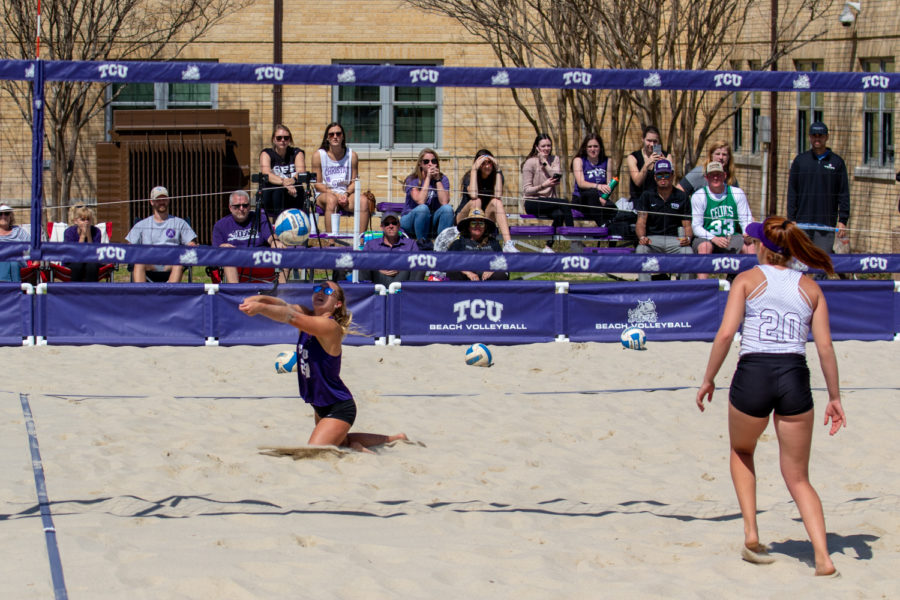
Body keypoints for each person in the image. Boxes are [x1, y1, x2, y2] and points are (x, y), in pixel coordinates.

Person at [696, 216, 846, 578]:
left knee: (742, 450)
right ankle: (823, 558)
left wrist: (708, 378)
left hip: (755, 373)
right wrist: (835, 397)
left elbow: (725, 335)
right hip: (795, 376)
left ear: (763, 247)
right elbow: (825, 348)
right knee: (798, 477)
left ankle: (751, 533)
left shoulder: (747, 280)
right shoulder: (810, 288)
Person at [239, 281, 407, 453]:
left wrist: (260, 308)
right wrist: (258, 299)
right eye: (318, 289)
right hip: (320, 404)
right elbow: (283, 305)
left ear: (337, 304)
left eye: (328, 291)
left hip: (339, 406)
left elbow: (290, 316)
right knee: (341, 442)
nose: (321, 292)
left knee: (313, 452)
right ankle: (394, 438)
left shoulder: (329, 326)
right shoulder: (309, 314)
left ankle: (358, 449)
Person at [787, 122, 850, 255]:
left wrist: (842, 221)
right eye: (814, 135)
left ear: (826, 137)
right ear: (809, 137)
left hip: (826, 225)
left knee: (820, 267)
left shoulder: (837, 162)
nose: (817, 139)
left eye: (820, 135)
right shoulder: (800, 161)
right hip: (802, 225)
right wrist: (791, 219)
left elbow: (843, 193)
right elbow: (792, 192)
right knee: (800, 263)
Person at [691, 162, 755, 280]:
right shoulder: (699, 196)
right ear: (706, 177)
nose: (715, 178)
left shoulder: (737, 193)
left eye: (718, 174)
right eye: (712, 175)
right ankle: (702, 288)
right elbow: (696, 227)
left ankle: (747, 285)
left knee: (750, 247)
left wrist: (747, 233)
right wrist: (714, 238)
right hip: (707, 237)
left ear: (725, 175)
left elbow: (745, 219)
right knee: (705, 247)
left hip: (731, 237)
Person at [634, 159, 693, 281]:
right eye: (659, 175)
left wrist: (688, 238)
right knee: (641, 249)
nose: (663, 178)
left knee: (688, 252)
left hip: (675, 240)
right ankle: (645, 290)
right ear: (655, 177)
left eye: (666, 174)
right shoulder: (647, 195)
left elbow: (687, 225)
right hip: (652, 239)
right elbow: (641, 223)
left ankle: (685, 291)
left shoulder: (682, 196)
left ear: (672, 175)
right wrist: (642, 237)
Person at [125, 186, 198, 283]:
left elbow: (191, 244)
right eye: (158, 200)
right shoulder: (141, 225)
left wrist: (191, 246)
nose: (161, 202)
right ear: (151, 202)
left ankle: (169, 296)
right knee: (138, 263)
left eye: (164, 199)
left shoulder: (180, 223)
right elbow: (130, 247)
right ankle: (141, 296)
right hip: (149, 263)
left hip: (170, 263)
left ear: (168, 200)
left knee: (178, 264)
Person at [212, 190, 283, 284]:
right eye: (237, 206)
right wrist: (222, 248)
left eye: (245, 205)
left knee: (282, 250)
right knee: (227, 256)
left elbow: (270, 236)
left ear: (249, 207)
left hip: (261, 260)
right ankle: (235, 296)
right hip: (236, 263)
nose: (241, 209)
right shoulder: (220, 225)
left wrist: (275, 242)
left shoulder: (260, 218)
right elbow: (215, 253)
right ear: (230, 207)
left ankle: (283, 294)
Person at [312, 122, 368, 236]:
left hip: (345, 193)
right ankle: (330, 242)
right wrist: (336, 195)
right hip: (324, 193)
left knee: (363, 201)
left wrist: (346, 195)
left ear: (343, 136)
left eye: (338, 134)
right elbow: (317, 184)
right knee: (331, 201)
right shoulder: (319, 155)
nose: (335, 137)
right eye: (331, 134)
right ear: (327, 138)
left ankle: (362, 241)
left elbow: (354, 182)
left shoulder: (352, 156)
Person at [457, 149, 517, 252]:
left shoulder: (497, 176)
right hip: (464, 218)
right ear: (478, 164)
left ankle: (508, 244)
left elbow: (498, 195)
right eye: (483, 163)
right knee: (477, 201)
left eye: (490, 162)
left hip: (483, 218)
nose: (487, 166)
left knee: (496, 202)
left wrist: (498, 170)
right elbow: (473, 195)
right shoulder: (469, 176)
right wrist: (474, 169)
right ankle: (473, 241)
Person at [521, 134, 574, 229]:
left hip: (550, 201)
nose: (546, 148)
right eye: (543, 146)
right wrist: (543, 185)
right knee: (565, 202)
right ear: (537, 147)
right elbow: (527, 190)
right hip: (533, 201)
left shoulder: (555, 159)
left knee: (560, 215)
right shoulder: (530, 162)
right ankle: (575, 240)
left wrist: (544, 161)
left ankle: (549, 244)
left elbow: (554, 175)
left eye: (549, 145)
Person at [401, 148, 455, 240]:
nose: (430, 164)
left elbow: (445, 202)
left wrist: (437, 180)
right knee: (423, 209)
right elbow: (421, 201)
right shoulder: (412, 179)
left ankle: (442, 245)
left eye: (433, 161)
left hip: (430, 219)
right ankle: (423, 244)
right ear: (420, 164)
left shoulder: (443, 179)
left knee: (448, 209)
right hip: (410, 219)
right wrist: (428, 178)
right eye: (426, 161)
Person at [359, 211, 419, 286]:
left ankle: (413, 295)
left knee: (419, 264)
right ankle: (366, 295)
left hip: (402, 278)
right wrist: (378, 268)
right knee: (363, 263)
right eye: (387, 224)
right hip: (378, 279)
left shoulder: (411, 244)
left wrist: (400, 267)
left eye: (394, 223)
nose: (391, 226)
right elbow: (362, 261)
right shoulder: (371, 244)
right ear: (382, 227)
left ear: (399, 225)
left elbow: (417, 261)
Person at [259, 124, 306, 218]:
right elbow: (266, 173)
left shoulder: (297, 153)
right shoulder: (266, 153)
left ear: (290, 139)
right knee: (278, 190)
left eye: (286, 138)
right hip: (272, 197)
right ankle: (279, 224)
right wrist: (285, 183)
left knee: (299, 188)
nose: (283, 140)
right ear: (273, 139)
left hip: (293, 194)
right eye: (279, 138)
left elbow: (301, 171)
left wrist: (292, 181)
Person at [447, 209, 508, 281]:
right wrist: (467, 273)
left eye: (481, 224)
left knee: (500, 274)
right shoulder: (459, 243)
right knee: (453, 272)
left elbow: (502, 262)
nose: (477, 226)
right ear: (468, 226)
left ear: (485, 227)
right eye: (473, 223)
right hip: (466, 280)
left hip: (488, 280)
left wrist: (493, 270)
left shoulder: (493, 243)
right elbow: (450, 262)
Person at [571, 133, 617, 227]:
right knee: (592, 193)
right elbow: (581, 183)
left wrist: (604, 198)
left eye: (595, 146)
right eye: (590, 146)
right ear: (585, 148)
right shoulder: (579, 160)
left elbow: (609, 185)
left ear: (600, 147)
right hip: (581, 199)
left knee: (613, 209)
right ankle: (602, 224)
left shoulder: (607, 161)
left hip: (600, 200)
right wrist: (598, 186)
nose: (593, 149)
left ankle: (613, 235)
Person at [627, 125, 673, 203]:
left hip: (659, 200)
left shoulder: (666, 156)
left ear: (659, 141)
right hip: (638, 200)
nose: (652, 144)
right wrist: (647, 164)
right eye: (649, 141)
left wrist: (665, 165)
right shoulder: (633, 157)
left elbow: (670, 181)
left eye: (655, 141)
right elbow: (637, 182)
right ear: (643, 139)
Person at [63, 204, 103, 282]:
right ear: (75, 221)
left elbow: (94, 252)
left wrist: (89, 236)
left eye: (88, 219)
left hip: (91, 259)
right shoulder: (69, 232)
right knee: (77, 265)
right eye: (83, 219)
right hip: (73, 260)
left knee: (92, 266)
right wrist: (82, 236)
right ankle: (76, 290)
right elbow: (74, 254)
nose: (86, 222)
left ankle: (90, 291)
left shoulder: (96, 231)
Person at [0, 204, 29, 283]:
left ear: (10, 216)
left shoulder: (19, 231)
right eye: (0, 214)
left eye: (6, 213)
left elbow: (31, 249)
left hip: (17, 262)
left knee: (13, 263)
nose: (3, 216)